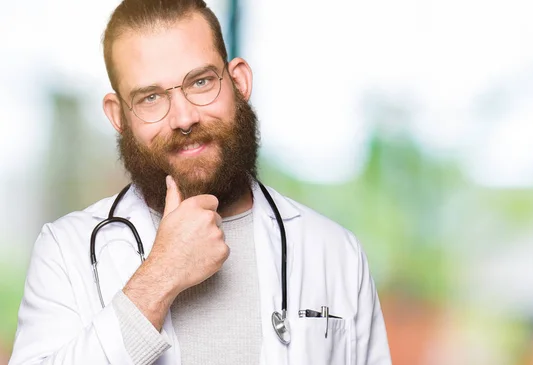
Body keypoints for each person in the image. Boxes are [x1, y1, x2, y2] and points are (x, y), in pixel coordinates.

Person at [9, 0, 391, 364]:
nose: (184, 117)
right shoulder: (64, 251)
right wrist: (162, 274)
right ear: (118, 116)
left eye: (201, 82)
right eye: (151, 97)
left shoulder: (335, 253)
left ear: (239, 82)